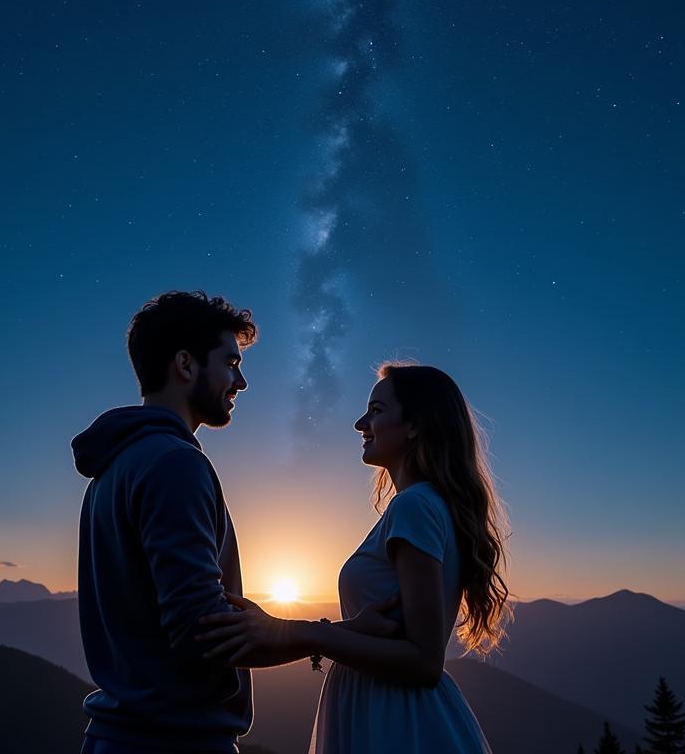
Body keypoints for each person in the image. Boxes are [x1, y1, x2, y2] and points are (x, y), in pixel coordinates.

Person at [197, 362, 510, 753]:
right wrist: (325, 630)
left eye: (376, 411)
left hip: (395, 721)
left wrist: (304, 631)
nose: (361, 423)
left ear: (415, 425)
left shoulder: (415, 507)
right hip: (383, 710)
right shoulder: (421, 506)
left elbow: (425, 662)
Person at [71, 290, 258, 754]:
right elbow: (200, 628)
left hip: (118, 738)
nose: (241, 382)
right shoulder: (175, 465)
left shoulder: (115, 467)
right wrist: (316, 637)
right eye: (231, 363)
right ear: (186, 364)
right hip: (173, 741)